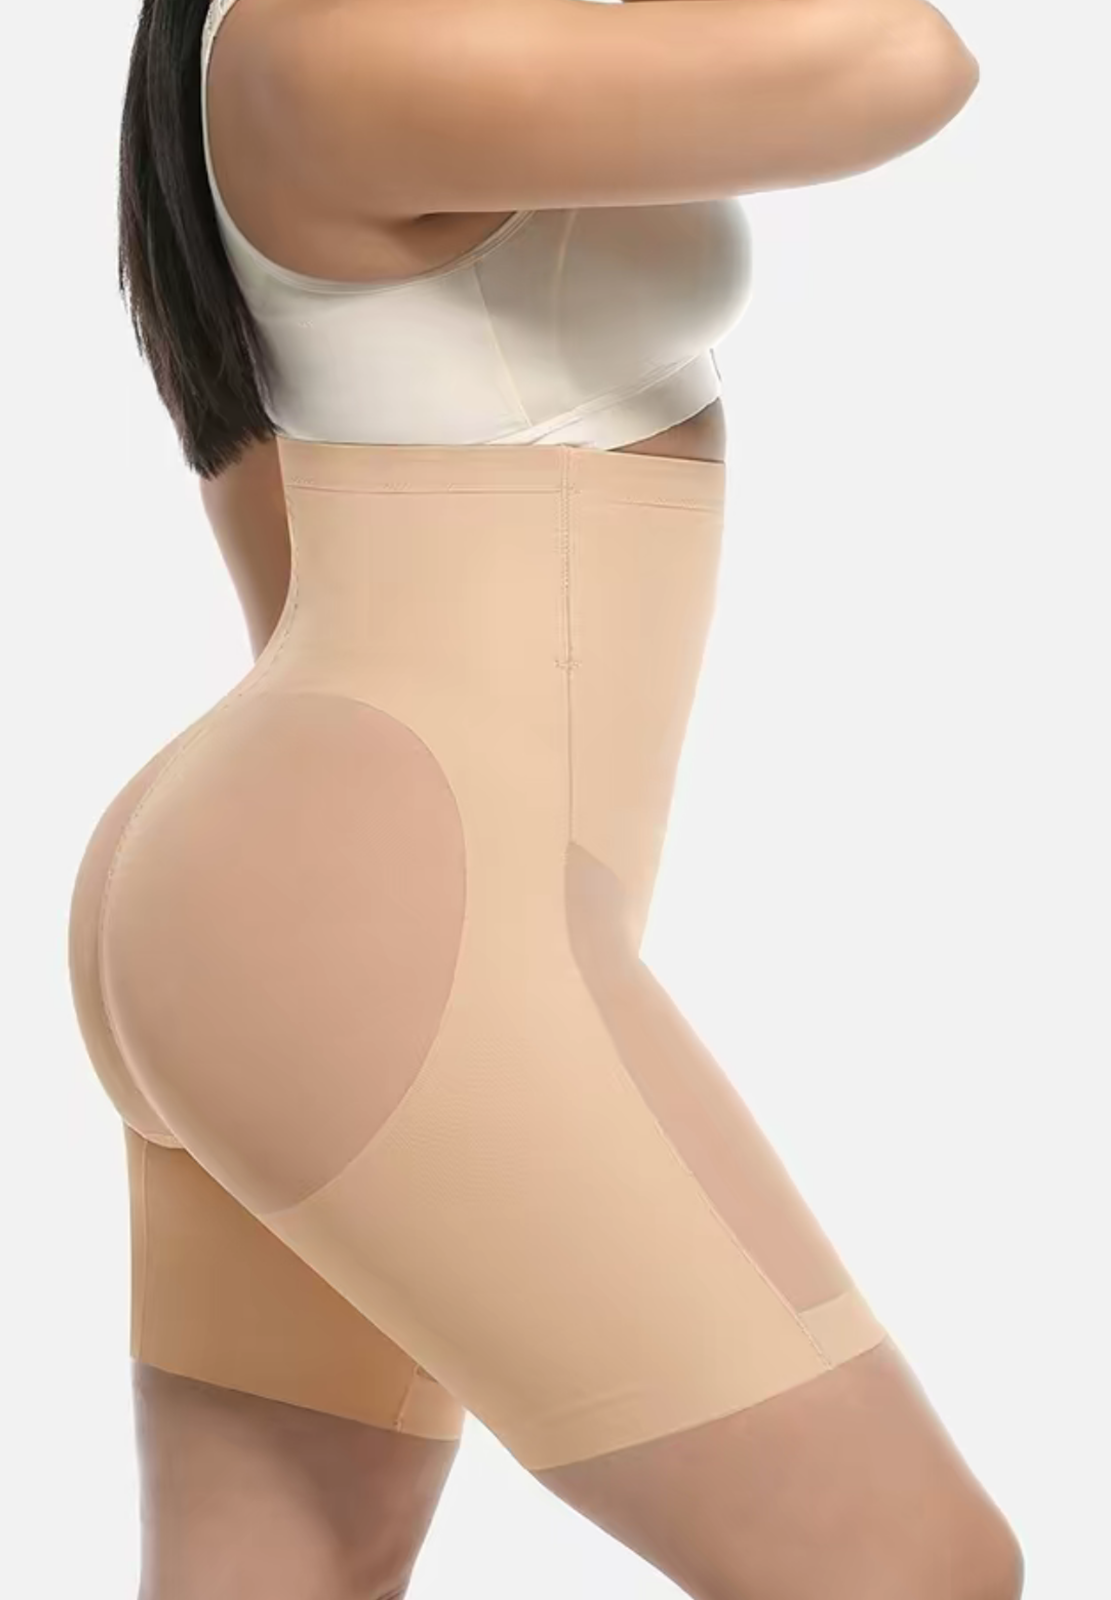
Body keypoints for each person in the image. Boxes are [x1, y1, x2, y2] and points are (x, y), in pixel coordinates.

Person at [68, 1, 1022, 1597]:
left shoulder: (273, 41)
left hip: (313, 880)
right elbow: (899, 62)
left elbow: (277, 506)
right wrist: (375, 918)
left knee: (291, 1569)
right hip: (373, 902)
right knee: (911, 1567)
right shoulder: (345, 41)